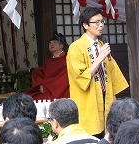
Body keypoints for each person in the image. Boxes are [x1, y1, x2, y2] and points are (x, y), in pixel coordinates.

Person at [66, 7, 129, 136]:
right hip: (88, 101)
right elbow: (80, 77)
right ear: (85, 25)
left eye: (102, 22)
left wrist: (114, 105)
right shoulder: (76, 47)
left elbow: (112, 77)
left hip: (106, 99)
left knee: (108, 135)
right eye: (96, 22)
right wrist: (100, 58)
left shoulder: (102, 46)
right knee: (91, 136)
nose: (101, 25)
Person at [26, 32, 70, 101]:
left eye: (54, 42)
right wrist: (40, 85)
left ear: (61, 46)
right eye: (50, 43)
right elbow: (38, 73)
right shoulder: (48, 62)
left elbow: (64, 79)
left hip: (59, 91)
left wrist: (46, 87)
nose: (51, 44)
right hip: (45, 89)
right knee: (28, 98)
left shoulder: (67, 59)